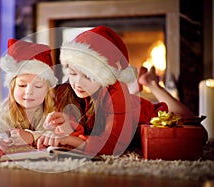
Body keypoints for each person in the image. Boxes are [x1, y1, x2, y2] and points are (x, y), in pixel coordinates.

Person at [37, 25, 196, 156]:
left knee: (186, 119)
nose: (77, 82)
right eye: (72, 73)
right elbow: (86, 131)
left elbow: (111, 146)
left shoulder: (116, 94)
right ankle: (137, 87)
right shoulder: (68, 91)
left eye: (88, 76)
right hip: (120, 108)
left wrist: (66, 140)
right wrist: (67, 126)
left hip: (146, 115)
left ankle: (151, 83)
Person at [0, 38, 58, 159]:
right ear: (12, 87)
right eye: (22, 85)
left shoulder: (51, 109)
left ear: (47, 91)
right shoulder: (6, 107)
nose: (29, 91)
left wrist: (32, 136)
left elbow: (54, 133)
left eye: (38, 86)